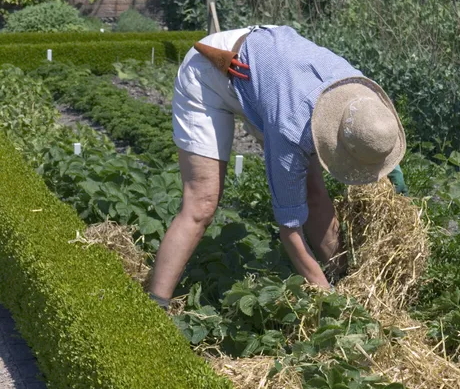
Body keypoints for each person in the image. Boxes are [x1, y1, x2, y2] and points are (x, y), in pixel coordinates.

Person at [149, 25, 406, 309]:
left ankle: (343, 274)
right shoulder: (291, 130)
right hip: (211, 74)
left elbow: (375, 141)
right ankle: (155, 306)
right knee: (202, 204)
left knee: (314, 192)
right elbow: (290, 232)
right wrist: (329, 301)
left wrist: (391, 173)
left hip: (274, 72)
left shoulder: (362, 98)